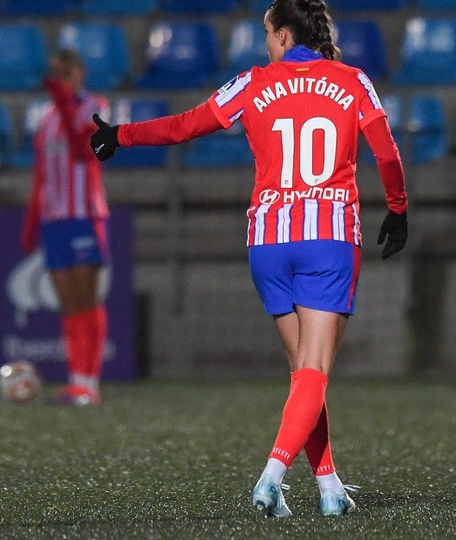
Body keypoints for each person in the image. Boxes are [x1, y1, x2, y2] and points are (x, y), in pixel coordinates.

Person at [90, 0, 408, 518]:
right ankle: (272, 475)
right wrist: (397, 209)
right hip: (327, 238)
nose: (266, 42)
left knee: (303, 375)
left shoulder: (253, 83)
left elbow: (186, 126)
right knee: (314, 371)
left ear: (283, 36)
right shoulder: (352, 80)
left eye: (267, 33)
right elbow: (388, 152)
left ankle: (328, 487)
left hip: (268, 242)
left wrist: (120, 136)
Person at [22, 49, 111, 407]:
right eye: (54, 72)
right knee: (69, 305)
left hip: (83, 215)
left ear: (79, 73)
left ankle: (90, 382)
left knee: (87, 301)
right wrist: (32, 221)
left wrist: (63, 102)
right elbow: (42, 173)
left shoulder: (94, 106)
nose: (59, 78)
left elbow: (83, 152)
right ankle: (77, 382)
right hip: (54, 219)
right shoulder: (45, 117)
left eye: (65, 72)